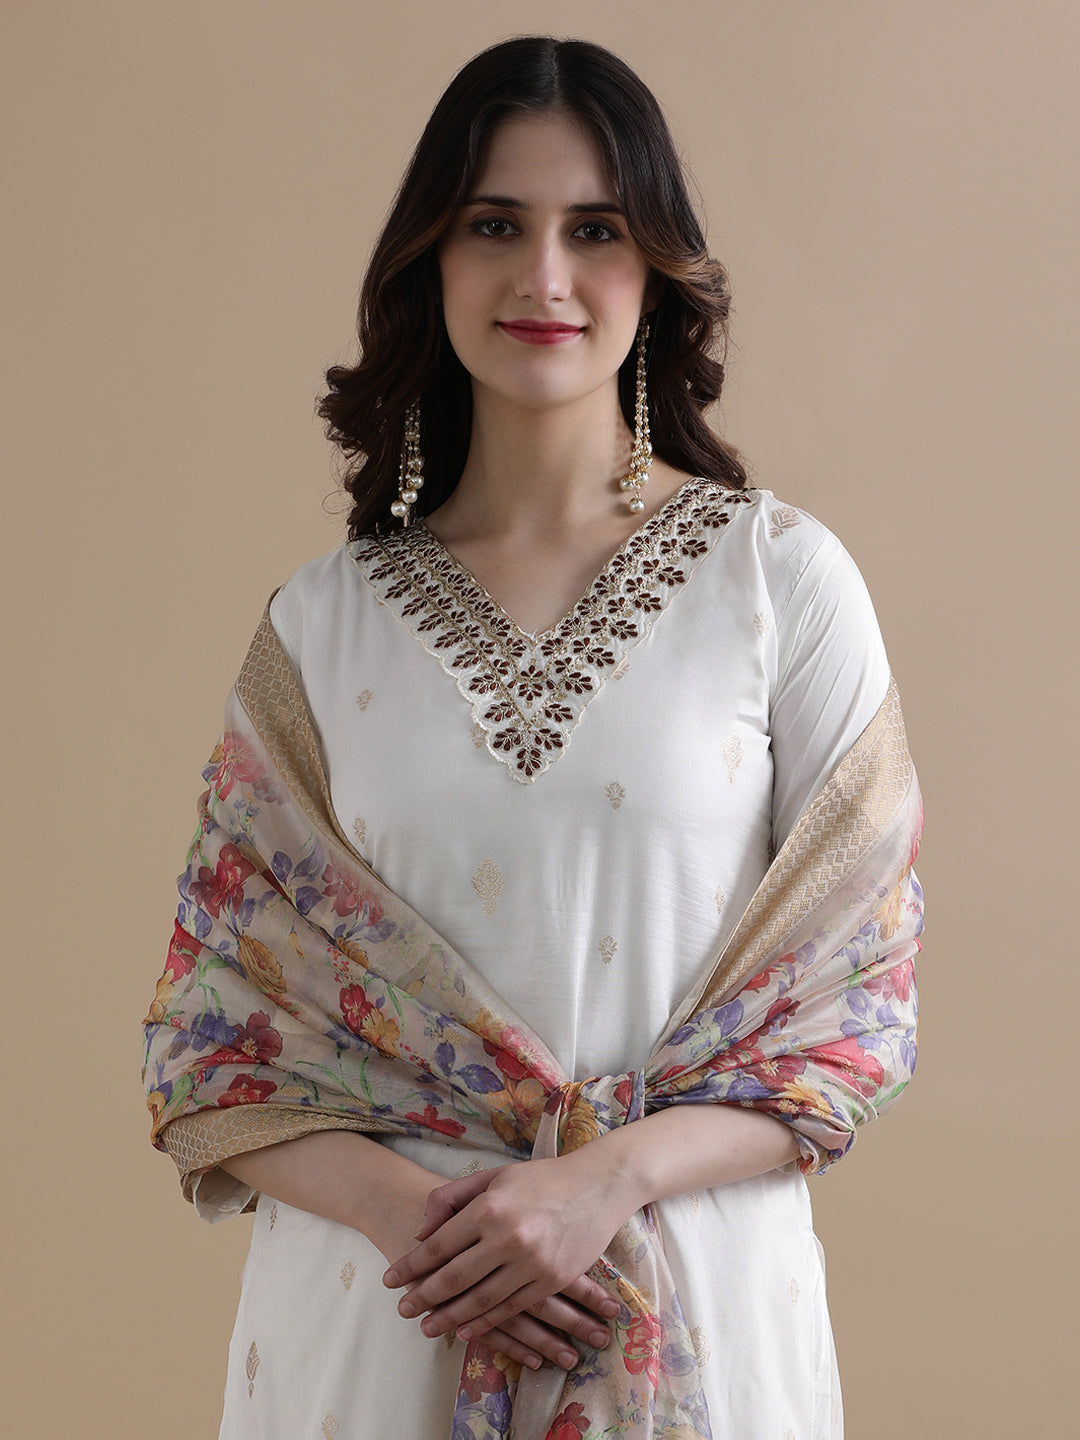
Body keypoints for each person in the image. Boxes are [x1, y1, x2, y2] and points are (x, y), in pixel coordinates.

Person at [142, 35, 922, 1440]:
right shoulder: (323, 626)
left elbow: (851, 1011)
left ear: (656, 269)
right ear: (431, 261)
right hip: (389, 1312)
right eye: (495, 225)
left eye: (596, 230)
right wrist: (432, 1228)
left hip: (689, 1292)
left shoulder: (779, 584)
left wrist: (600, 1182)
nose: (544, 277)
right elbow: (217, 1031)